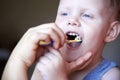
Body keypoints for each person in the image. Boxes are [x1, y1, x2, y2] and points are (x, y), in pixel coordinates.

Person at [2, 0, 120, 80]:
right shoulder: (47, 64)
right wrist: (20, 61)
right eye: (64, 13)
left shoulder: (110, 75)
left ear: (110, 32)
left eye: (86, 15)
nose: (71, 20)